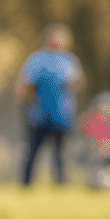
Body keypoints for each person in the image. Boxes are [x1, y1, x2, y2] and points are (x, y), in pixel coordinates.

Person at [17, 23, 83, 185]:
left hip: (61, 115)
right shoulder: (36, 59)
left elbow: (77, 83)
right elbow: (23, 86)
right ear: (47, 39)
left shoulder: (68, 61)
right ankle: (26, 185)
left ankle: (60, 186)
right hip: (39, 115)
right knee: (32, 153)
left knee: (61, 155)